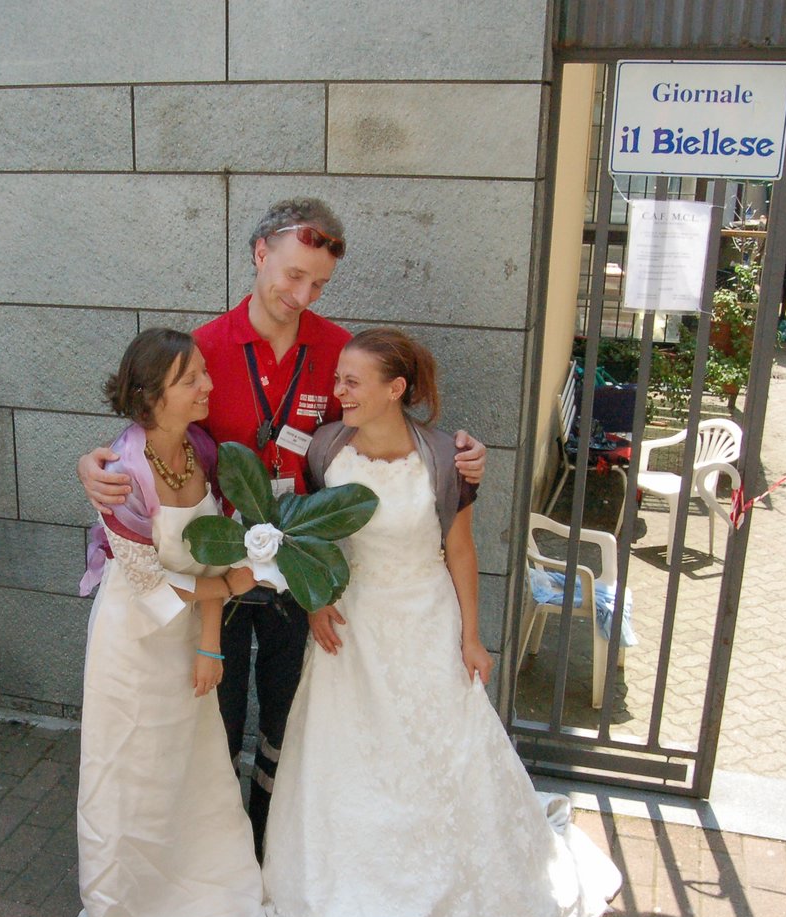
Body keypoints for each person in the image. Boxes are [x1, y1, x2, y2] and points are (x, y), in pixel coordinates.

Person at [80, 198, 487, 855]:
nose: (303, 295)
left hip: (302, 569)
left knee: (288, 714)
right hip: (216, 568)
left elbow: (389, 423)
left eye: (319, 284)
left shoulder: (336, 350)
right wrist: (90, 463)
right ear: (259, 253)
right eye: (293, 274)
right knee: (215, 710)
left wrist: (463, 454)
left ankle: (271, 851)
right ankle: (219, 852)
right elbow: (150, 433)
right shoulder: (204, 349)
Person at [260, 328, 622, 917]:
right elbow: (305, 536)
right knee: (347, 754)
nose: (336, 391)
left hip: (423, 619)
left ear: (395, 390)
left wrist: (472, 637)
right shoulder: (324, 448)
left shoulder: (443, 457)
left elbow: (460, 551)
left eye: (351, 381)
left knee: (437, 751)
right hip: (349, 623)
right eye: (337, 378)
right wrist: (314, 602)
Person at [73, 328, 265, 917]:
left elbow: (215, 548)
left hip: (188, 634)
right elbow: (152, 578)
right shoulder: (120, 475)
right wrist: (238, 584)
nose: (208, 387)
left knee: (191, 763)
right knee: (131, 770)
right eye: (193, 379)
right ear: (152, 395)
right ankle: (129, 908)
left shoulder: (203, 450)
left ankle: (200, 887)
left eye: (205, 373)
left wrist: (212, 645)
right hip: (133, 636)